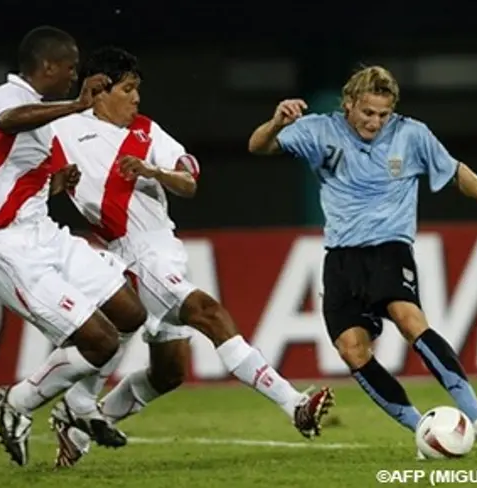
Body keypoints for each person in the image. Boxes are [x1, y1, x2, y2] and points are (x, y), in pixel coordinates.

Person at [47, 46, 335, 467]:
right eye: (127, 89)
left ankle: (77, 421)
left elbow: (189, 181)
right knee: (209, 312)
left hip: (166, 250)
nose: (136, 98)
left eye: (137, 90)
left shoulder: (147, 131)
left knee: (170, 373)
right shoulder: (63, 130)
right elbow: (31, 172)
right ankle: (293, 404)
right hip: (134, 253)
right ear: (100, 90)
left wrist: (154, 172)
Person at [247, 65, 477, 457]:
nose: (376, 122)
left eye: (383, 114)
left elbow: (456, 173)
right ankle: (426, 431)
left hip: (390, 247)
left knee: (408, 318)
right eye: (368, 113)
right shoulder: (319, 130)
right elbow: (258, 146)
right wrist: (276, 122)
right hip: (341, 257)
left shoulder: (411, 134)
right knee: (352, 350)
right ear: (348, 104)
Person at [0, 27, 148, 467]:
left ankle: (77, 404)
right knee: (99, 342)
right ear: (47, 66)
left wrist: (51, 184)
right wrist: (79, 105)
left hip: (43, 233)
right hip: (12, 249)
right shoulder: (4, 99)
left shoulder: (37, 111)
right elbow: (7, 122)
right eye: (70, 65)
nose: (74, 74)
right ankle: (18, 402)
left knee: (129, 313)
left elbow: (6, 168)